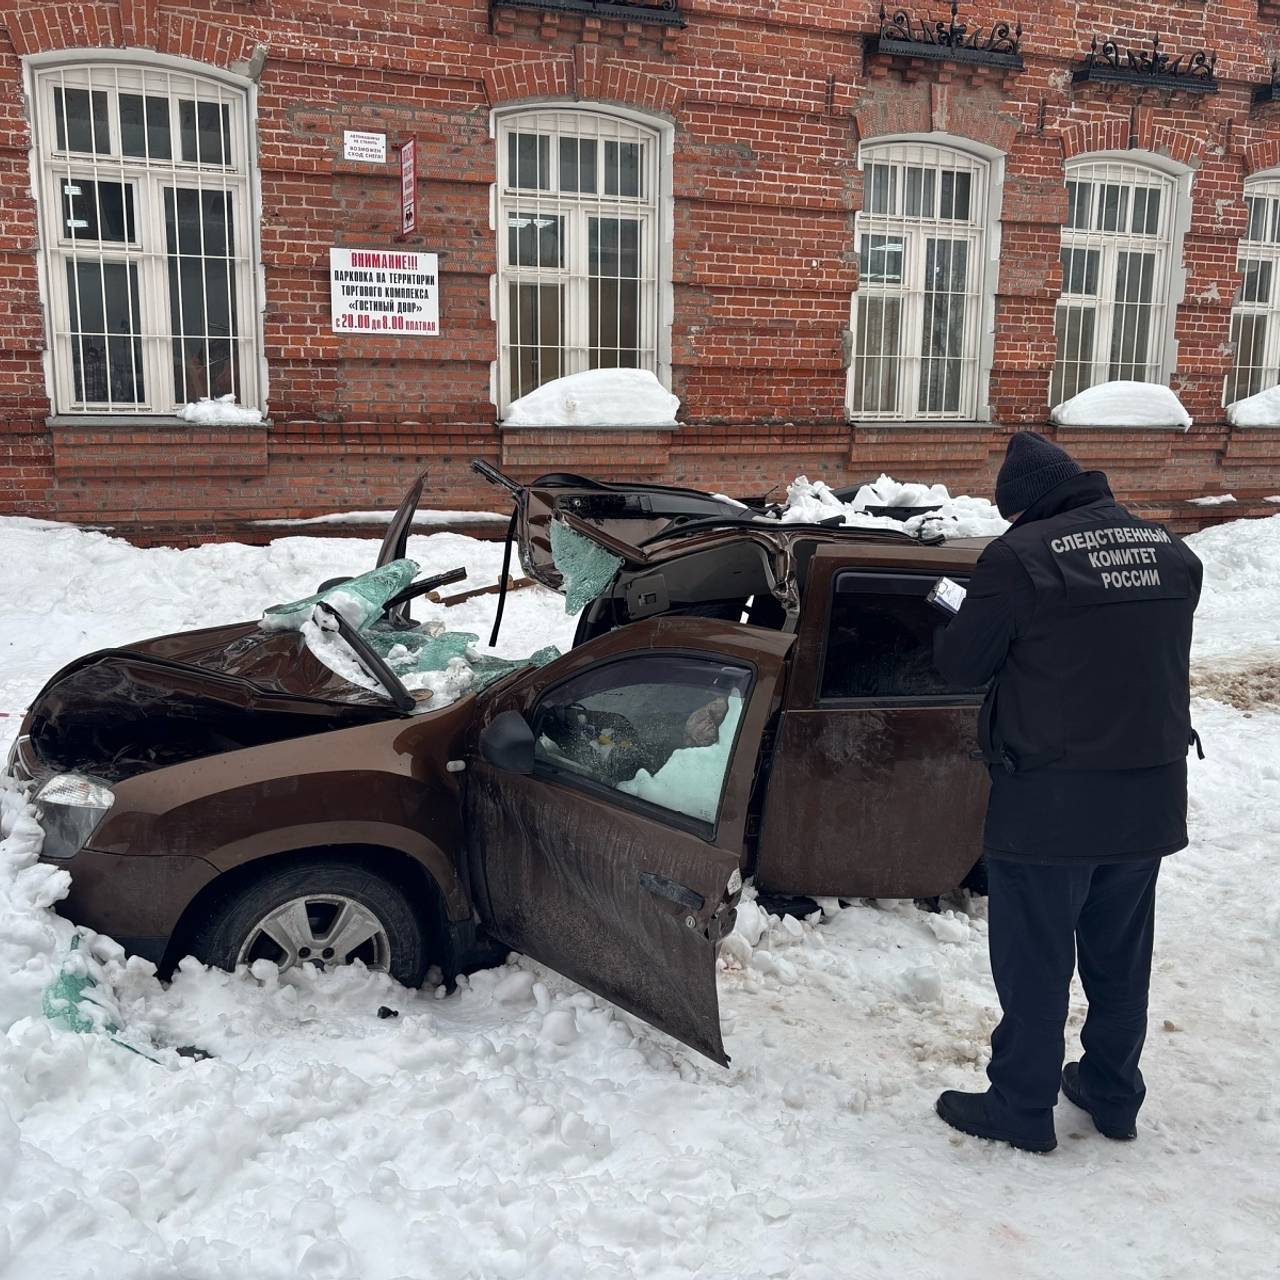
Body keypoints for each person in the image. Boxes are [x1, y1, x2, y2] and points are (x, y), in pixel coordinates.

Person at [932, 431, 1203, 1153]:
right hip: (1147, 794)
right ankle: (1113, 1096)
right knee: (1120, 958)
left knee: (1036, 960)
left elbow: (961, 665)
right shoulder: (1170, 552)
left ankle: (1021, 1107)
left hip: (1048, 801)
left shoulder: (1019, 559)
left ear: (1022, 509)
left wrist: (956, 616)